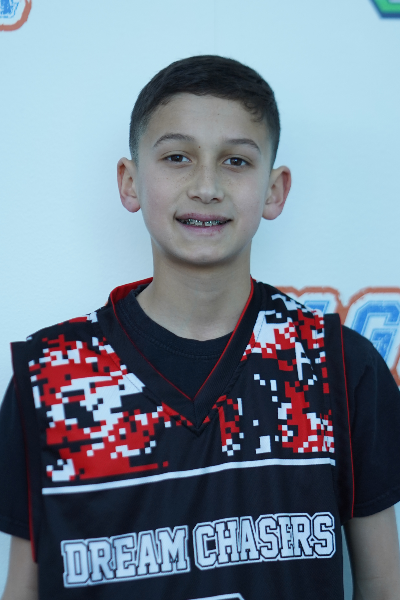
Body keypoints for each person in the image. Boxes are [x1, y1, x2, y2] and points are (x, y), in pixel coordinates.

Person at [1, 55, 400, 600]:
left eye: (236, 161)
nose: (206, 186)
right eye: (177, 157)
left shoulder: (336, 367)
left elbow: (383, 581)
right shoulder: (51, 375)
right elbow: (22, 587)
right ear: (130, 181)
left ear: (275, 190)